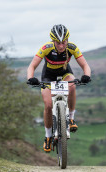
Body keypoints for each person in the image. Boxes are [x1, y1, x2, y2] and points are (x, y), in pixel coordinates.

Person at [27, 24, 91, 152]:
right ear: (53, 41)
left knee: (72, 87)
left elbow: (85, 65)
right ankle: (48, 136)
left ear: (67, 40)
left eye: (64, 42)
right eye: (58, 42)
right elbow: (32, 66)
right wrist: (31, 78)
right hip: (48, 77)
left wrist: (86, 75)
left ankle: (71, 118)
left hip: (65, 73)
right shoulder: (46, 48)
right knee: (48, 105)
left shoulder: (72, 47)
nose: (61, 46)